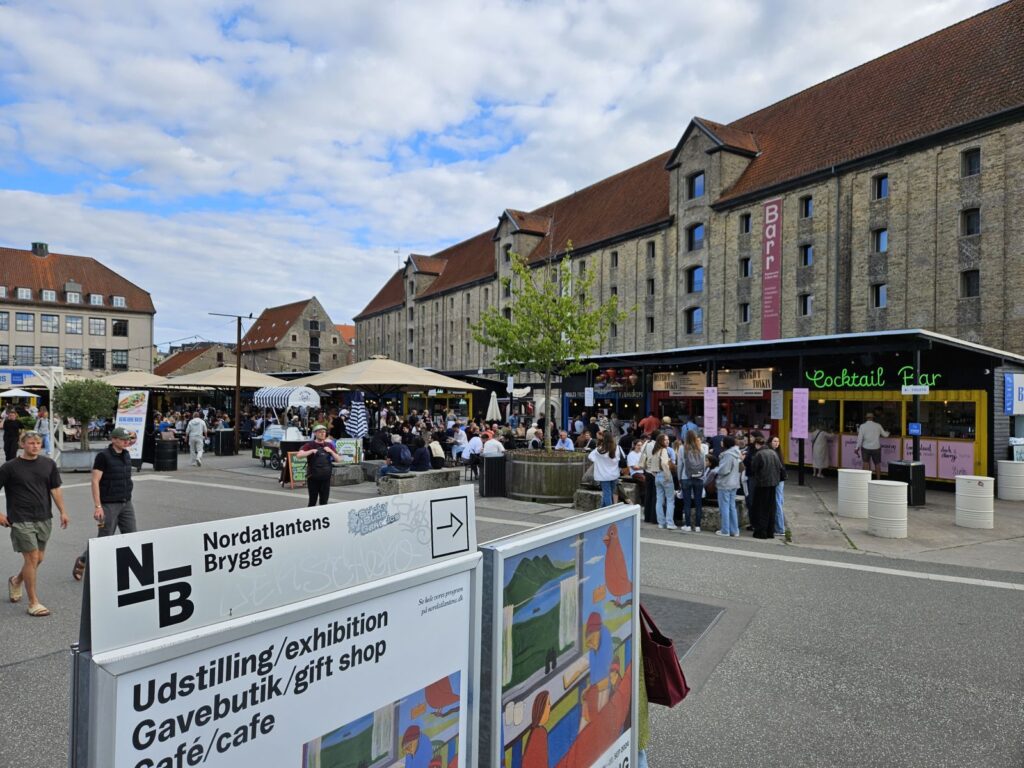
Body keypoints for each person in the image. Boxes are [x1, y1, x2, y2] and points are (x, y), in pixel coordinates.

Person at [0, 431, 68, 617]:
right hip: (21, 519)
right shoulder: (9, 467)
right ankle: (33, 602)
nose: (35, 446)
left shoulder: (48, 464)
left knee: (39, 558)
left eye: (38, 443)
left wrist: (62, 511)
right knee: (31, 558)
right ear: (22, 444)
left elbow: (55, 489)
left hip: (44, 517)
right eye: (31, 443)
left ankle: (16, 580)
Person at [74, 427, 136, 580]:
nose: (126, 441)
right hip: (108, 504)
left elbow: (133, 439)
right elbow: (95, 481)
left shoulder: (126, 454)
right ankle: (82, 561)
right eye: (123, 439)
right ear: (113, 439)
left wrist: (131, 436)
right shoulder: (103, 456)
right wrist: (98, 506)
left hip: (126, 503)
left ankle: (128, 568)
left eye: (127, 439)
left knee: (132, 536)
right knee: (104, 538)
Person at [296, 425, 340, 506]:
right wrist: (311, 451)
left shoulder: (329, 445)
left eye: (324, 432)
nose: (322, 434)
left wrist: (331, 451)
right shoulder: (309, 445)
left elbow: (338, 459)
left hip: (326, 478)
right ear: (315, 433)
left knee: (324, 502)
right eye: (320, 432)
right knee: (312, 501)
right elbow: (299, 455)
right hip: (313, 478)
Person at [749, 434, 784, 539]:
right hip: (773, 483)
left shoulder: (759, 454)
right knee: (771, 508)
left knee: (761, 508)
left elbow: (753, 468)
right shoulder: (774, 453)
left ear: (758, 445)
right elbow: (780, 467)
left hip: (762, 484)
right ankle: (770, 531)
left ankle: (761, 532)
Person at [715, 436, 742, 537]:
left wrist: (717, 470)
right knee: (732, 507)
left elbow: (724, 470)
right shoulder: (736, 453)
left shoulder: (727, 455)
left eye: (723, 441)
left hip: (725, 483)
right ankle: (734, 530)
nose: (721, 442)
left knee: (724, 507)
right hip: (734, 482)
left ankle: (725, 530)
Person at [648, 433, 677, 529]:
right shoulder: (664, 450)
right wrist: (668, 476)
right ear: (661, 441)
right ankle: (670, 523)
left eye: (668, 439)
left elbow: (649, 463)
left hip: (657, 476)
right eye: (665, 440)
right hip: (665, 475)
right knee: (670, 500)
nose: (667, 441)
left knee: (659, 500)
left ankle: (661, 522)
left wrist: (655, 474)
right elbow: (665, 464)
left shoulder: (655, 451)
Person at [678, 430, 705, 532]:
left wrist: (679, 477)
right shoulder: (700, 448)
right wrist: (702, 476)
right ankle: (698, 526)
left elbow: (680, 465)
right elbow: (703, 464)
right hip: (699, 478)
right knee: (698, 502)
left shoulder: (682, 448)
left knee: (687, 502)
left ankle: (688, 525)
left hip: (686, 477)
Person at [588, 432, 623, 507]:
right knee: (609, 494)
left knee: (607, 494)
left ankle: (609, 512)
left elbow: (590, 456)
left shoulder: (599, 449)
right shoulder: (617, 448)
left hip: (603, 475)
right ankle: (602, 510)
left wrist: (598, 461)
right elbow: (621, 459)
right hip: (614, 474)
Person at [521, 691, 551, 768]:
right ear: (542, 708)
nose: (550, 706)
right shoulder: (539, 734)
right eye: (548, 703)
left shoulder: (538, 731)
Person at [856, 412, 890, 479]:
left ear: (866, 418)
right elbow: (885, 435)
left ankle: (865, 479)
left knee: (866, 463)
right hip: (876, 447)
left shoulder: (862, 426)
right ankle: (878, 479)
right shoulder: (878, 425)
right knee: (877, 464)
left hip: (866, 447)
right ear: (873, 418)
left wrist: (856, 448)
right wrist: (888, 432)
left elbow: (860, 438)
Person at [770, 435, 788, 536]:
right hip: (780, 480)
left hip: (778, 480)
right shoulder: (777, 453)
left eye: (777, 441)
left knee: (777, 503)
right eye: (774, 441)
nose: (776, 443)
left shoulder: (776, 454)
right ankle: (780, 527)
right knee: (779, 501)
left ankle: (780, 528)